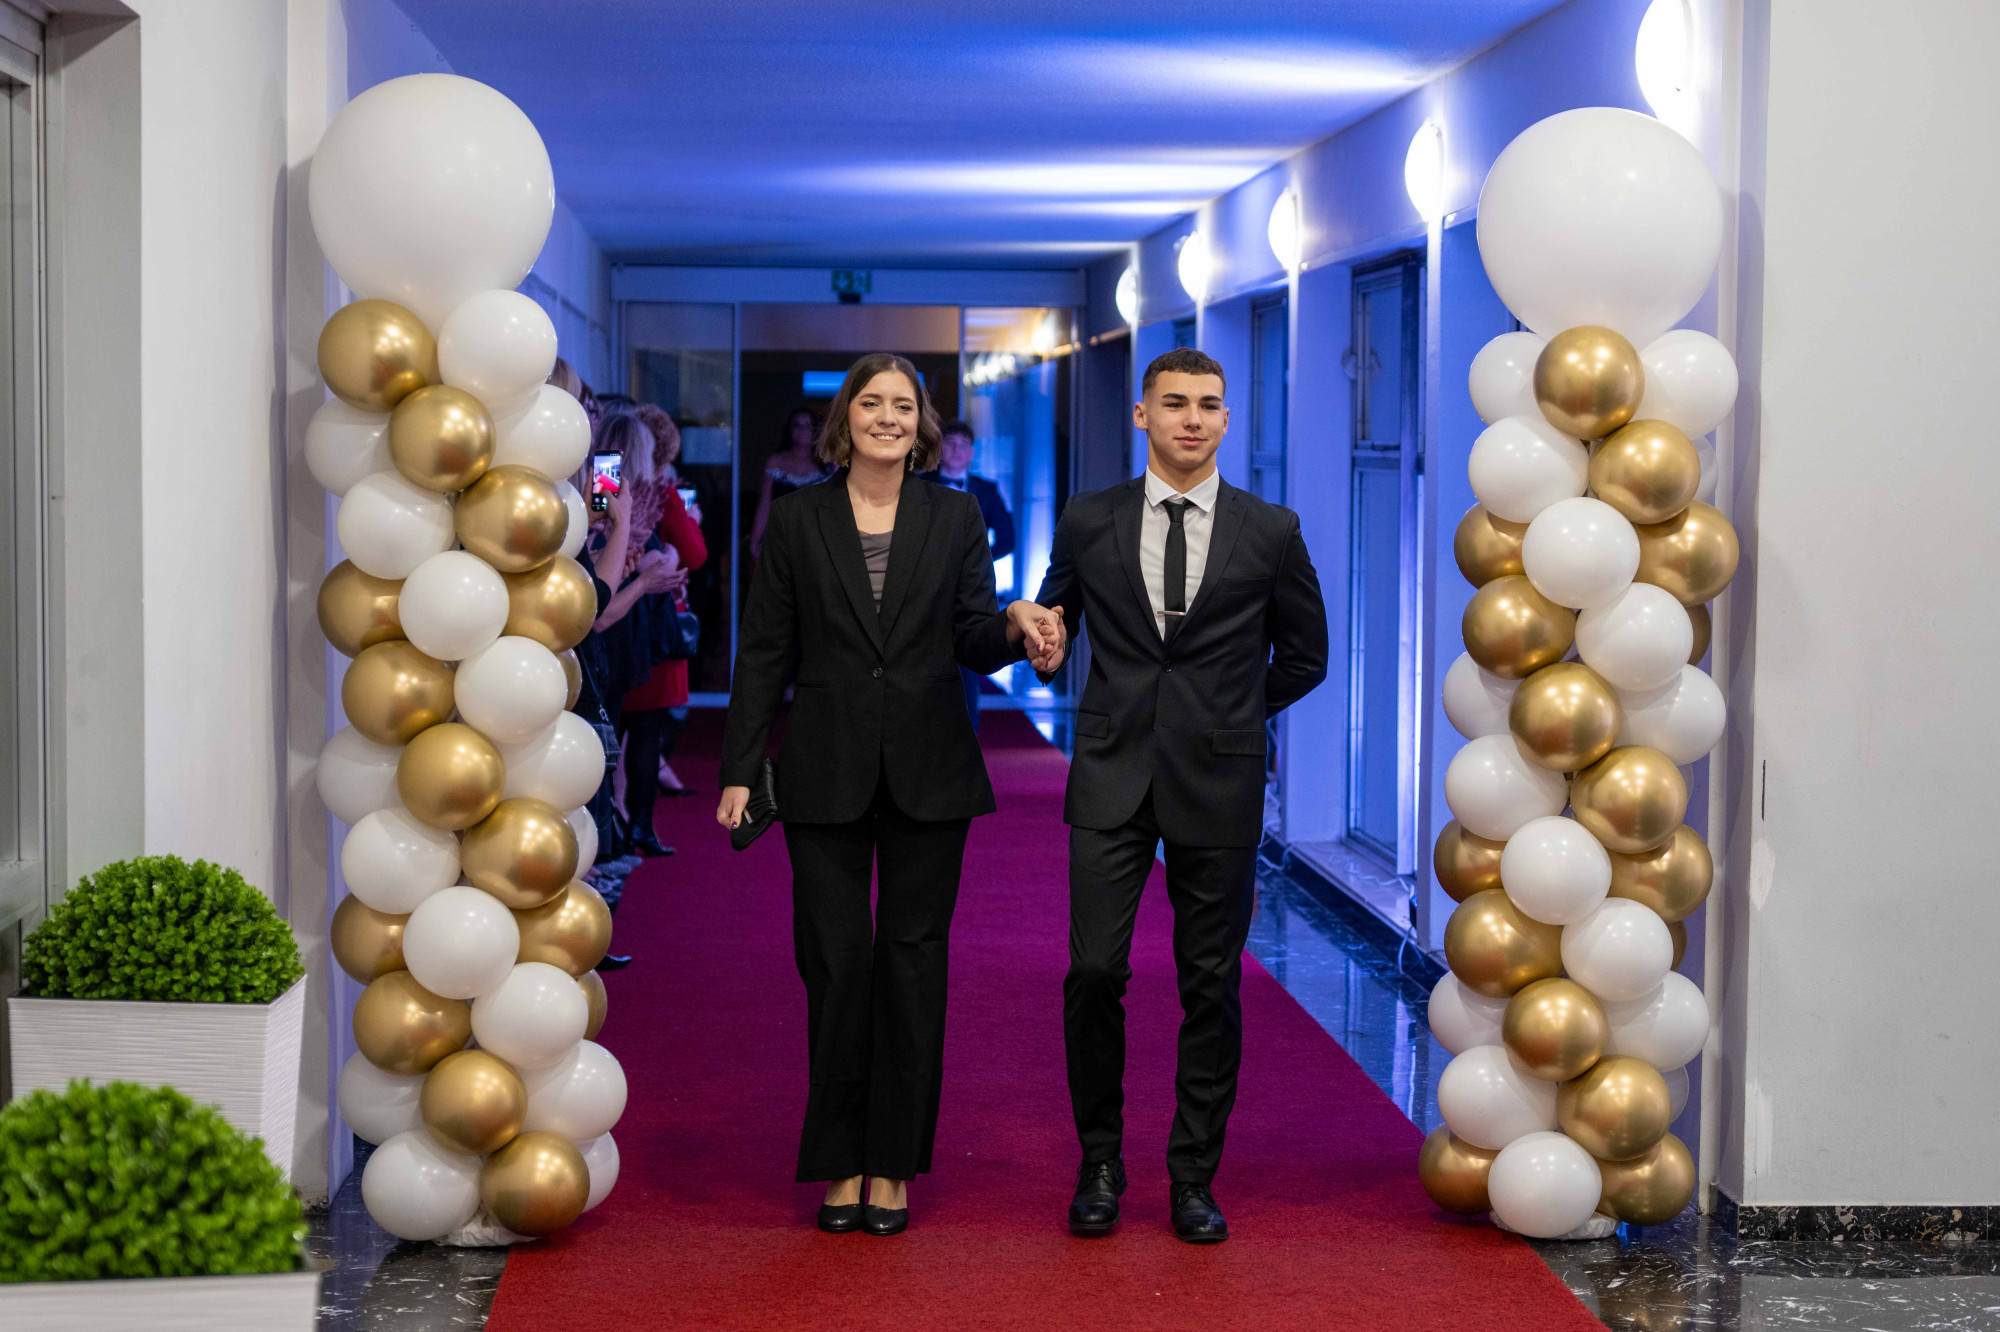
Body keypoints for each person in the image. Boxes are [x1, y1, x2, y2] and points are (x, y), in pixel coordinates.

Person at [716, 353, 1061, 1238]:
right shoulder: (801, 519)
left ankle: (894, 1165)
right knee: (836, 967)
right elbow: (765, 650)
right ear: (845, 420)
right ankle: (840, 1161)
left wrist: (1016, 624)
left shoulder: (955, 517)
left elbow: (972, 636)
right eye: (870, 402)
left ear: (921, 424)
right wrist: (739, 766)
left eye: (902, 405)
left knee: (912, 966)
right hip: (823, 769)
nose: (887, 417)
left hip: (929, 768)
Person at [1018, 347, 1329, 1245]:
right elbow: (1054, 617)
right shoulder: (1090, 517)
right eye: (1176, 403)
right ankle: (1100, 1162)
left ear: (1226, 420)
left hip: (1218, 777)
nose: (1193, 418)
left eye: (1209, 404)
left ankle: (1193, 1175)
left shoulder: (1270, 529)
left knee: (1210, 984)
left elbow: (1305, 655)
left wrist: (1228, 713)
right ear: (1143, 416)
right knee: (1093, 974)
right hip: (1110, 771)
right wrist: (1044, 644)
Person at [621, 403, 708, 820]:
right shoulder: (658, 491)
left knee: (623, 728)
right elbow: (695, 554)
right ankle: (633, 823)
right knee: (644, 729)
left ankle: (622, 821)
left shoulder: (613, 483)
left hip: (622, 609)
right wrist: (690, 523)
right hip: (647, 618)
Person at [927, 419, 1016, 732]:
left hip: (970, 588)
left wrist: (976, 561)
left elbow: (1008, 538)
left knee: (969, 661)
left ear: (972, 452)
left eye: (963, 445)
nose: (956, 450)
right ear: (940, 449)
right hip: (925, 584)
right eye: (950, 444)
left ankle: (966, 737)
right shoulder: (920, 483)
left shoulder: (986, 489)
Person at [749, 407, 831, 558]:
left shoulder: (824, 467)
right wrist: (755, 541)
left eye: (807, 426)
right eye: (797, 425)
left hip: (813, 540)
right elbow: (765, 504)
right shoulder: (775, 462)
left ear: (816, 431)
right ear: (790, 429)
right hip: (780, 536)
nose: (802, 431)